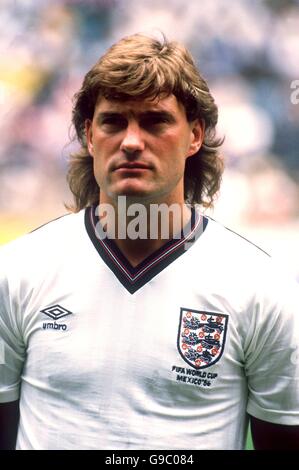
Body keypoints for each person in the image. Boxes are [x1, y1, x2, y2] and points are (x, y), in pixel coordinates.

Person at [0, 33, 299, 451]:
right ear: (89, 135)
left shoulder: (261, 287)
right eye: (113, 121)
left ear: (195, 136)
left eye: (155, 120)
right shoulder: (18, 270)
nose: (131, 141)